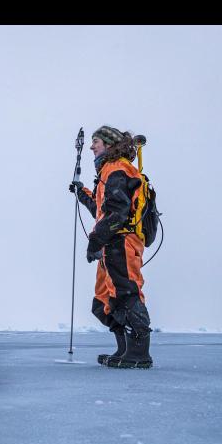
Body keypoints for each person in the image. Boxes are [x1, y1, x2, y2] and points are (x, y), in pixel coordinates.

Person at [68, 125, 153, 368]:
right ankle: (124, 349)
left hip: (122, 241)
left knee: (126, 292)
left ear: (108, 144)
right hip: (112, 242)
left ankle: (139, 353)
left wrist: (95, 240)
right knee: (104, 301)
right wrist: (82, 193)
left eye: (96, 141)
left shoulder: (116, 169)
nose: (92, 147)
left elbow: (118, 212)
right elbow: (102, 211)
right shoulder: (108, 171)